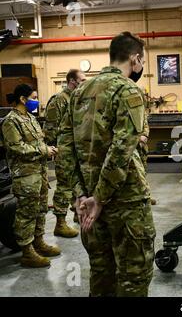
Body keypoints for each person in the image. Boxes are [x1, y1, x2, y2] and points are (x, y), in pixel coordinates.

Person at [58, 31, 155, 297]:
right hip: (125, 203)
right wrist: (100, 198)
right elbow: (122, 149)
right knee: (133, 277)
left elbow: (66, 150)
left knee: (101, 275)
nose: (141, 67)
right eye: (142, 61)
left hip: (88, 204)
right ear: (135, 59)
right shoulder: (128, 89)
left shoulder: (79, 93)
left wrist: (81, 194)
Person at [2, 84, 60, 268]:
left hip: (39, 173)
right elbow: (16, 147)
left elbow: (39, 140)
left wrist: (49, 149)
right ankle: (27, 252)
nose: (36, 101)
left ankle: (39, 242)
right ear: (22, 99)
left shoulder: (31, 119)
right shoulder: (11, 121)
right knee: (26, 213)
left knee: (41, 209)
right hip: (25, 176)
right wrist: (45, 150)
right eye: (34, 97)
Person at [44, 69, 86, 238]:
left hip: (77, 148)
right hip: (64, 149)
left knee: (78, 182)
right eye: (82, 80)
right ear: (72, 81)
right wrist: (55, 149)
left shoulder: (78, 98)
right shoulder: (59, 100)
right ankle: (60, 223)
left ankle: (78, 213)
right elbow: (50, 128)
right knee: (64, 186)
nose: (84, 82)